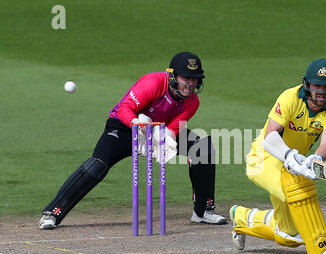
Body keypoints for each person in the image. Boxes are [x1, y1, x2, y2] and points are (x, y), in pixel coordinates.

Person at [39, 52, 227, 230]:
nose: (190, 84)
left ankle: (203, 210)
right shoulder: (153, 83)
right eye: (186, 78)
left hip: (156, 129)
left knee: (203, 148)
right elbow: (125, 109)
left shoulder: (192, 102)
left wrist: (163, 140)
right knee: (97, 165)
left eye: (194, 79)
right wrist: (138, 125)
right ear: (172, 76)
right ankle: (53, 213)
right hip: (123, 127)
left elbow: (171, 130)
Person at [229, 58, 326, 254]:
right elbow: (270, 137)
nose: (322, 91)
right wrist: (289, 155)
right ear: (307, 84)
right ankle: (322, 249)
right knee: (299, 188)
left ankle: (242, 217)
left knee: (288, 236)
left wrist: (316, 158)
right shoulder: (290, 97)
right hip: (264, 159)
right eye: (317, 85)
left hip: (294, 164)